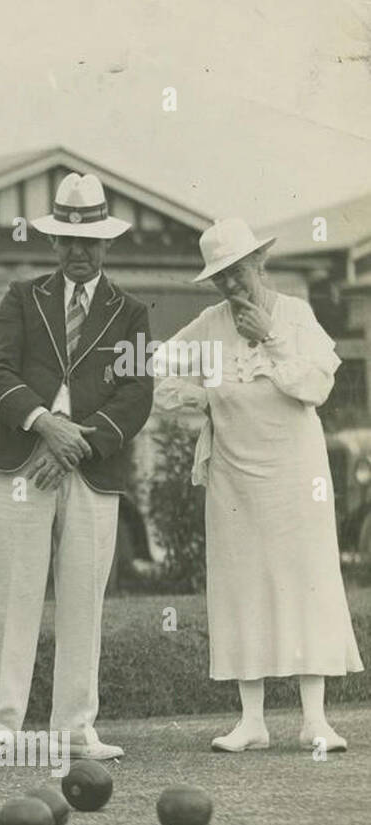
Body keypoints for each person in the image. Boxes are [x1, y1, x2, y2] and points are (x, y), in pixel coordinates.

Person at [153, 218, 361, 753]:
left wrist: (268, 339)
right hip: (234, 477)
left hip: (296, 474)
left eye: (237, 271)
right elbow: (157, 370)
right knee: (242, 583)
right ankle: (252, 720)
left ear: (259, 263)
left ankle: (315, 719)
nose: (230, 284)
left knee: (306, 578)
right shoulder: (207, 324)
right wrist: (203, 399)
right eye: (220, 276)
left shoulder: (295, 315)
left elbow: (315, 386)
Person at [0, 173, 153, 764]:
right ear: (53, 242)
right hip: (21, 464)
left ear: (106, 244)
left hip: (91, 471)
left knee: (83, 598)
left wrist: (79, 442)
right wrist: (45, 424)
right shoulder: (22, 297)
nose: (79, 252)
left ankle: (75, 729)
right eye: (68, 241)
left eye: (90, 241)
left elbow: (136, 395)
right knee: (9, 595)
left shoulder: (131, 312)